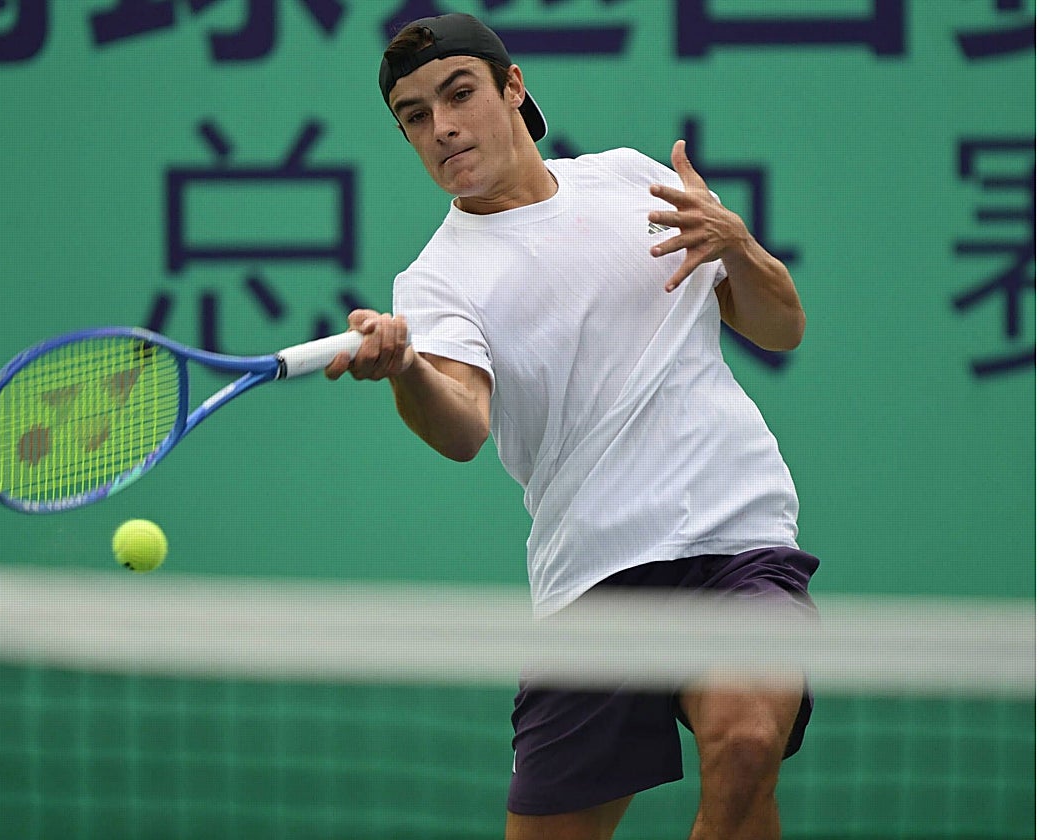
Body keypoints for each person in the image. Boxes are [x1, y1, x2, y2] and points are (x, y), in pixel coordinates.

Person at [326, 12, 819, 840]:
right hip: (595, 581)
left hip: (736, 536)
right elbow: (462, 428)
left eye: (459, 94)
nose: (441, 127)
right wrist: (408, 369)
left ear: (513, 87)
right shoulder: (439, 278)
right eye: (415, 116)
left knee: (745, 742)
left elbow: (780, 327)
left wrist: (737, 243)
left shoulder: (630, 181)